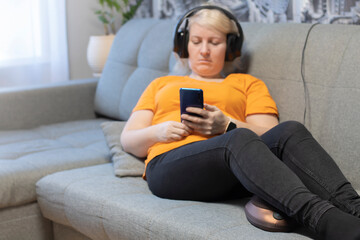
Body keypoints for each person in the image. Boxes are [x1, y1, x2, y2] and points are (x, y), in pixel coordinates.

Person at [120, 5, 360, 240]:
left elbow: (270, 134)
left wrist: (227, 125)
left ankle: (354, 207)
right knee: (236, 139)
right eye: (196, 41)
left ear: (230, 47)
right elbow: (128, 140)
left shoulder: (247, 84)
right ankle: (328, 222)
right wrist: (158, 132)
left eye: (214, 42)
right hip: (168, 167)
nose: (204, 50)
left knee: (290, 129)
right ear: (184, 45)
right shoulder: (161, 84)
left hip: (235, 171)